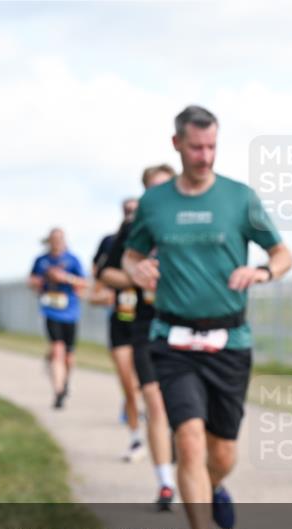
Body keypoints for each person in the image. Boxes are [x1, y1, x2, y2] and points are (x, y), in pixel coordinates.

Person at [123, 105, 292, 529]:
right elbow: (133, 252)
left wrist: (262, 271)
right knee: (189, 441)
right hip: (172, 340)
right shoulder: (155, 203)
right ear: (176, 144)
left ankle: (215, 487)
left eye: (212, 146)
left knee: (222, 454)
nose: (204, 156)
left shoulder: (239, 199)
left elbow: (282, 253)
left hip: (230, 341)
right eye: (196, 146)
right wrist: (137, 268)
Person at [100, 164, 179, 510]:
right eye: (152, 190)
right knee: (155, 401)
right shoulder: (133, 230)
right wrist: (137, 276)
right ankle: (165, 483)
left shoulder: (194, 224)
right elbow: (106, 273)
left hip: (188, 326)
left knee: (189, 412)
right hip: (144, 325)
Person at [94, 199, 146, 461]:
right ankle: (136, 438)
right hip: (122, 318)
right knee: (129, 382)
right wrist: (132, 280)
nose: (131, 215)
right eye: (127, 211)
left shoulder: (161, 234)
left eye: (135, 210)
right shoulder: (113, 240)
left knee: (149, 385)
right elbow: (101, 274)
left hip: (151, 320)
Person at [29, 229, 87, 409]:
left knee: (69, 356)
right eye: (53, 239)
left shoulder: (73, 259)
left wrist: (65, 278)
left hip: (70, 311)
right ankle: (58, 391)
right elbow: (31, 280)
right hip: (50, 310)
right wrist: (39, 282)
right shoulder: (41, 261)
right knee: (57, 349)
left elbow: (84, 283)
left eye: (59, 239)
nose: (56, 242)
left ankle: (65, 380)